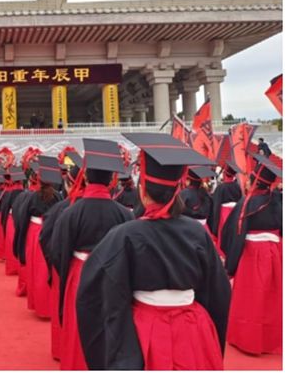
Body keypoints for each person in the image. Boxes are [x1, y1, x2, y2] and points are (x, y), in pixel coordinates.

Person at [76, 133, 231, 370]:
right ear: (178, 189)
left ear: (143, 189)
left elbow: (94, 294)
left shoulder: (124, 234)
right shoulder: (198, 233)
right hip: (193, 330)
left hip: (143, 331)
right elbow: (218, 294)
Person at [49, 139, 134, 369]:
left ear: (85, 177)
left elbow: (58, 252)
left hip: (80, 274)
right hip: (114, 277)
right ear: (112, 179)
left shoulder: (70, 212)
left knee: (80, 325)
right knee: (112, 325)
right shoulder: (125, 214)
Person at [220, 153, 282, 355]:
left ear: (255, 181)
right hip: (275, 252)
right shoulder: (278, 201)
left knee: (251, 298)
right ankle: (271, 340)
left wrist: (230, 266)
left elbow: (235, 235)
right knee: (271, 297)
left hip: (252, 254)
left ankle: (249, 340)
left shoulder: (246, 204)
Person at [39, 150, 85, 361]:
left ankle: (63, 351)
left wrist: (53, 267)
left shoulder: (63, 209)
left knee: (70, 311)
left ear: (70, 184)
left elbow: (49, 241)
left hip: (73, 267)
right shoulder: (120, 211)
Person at [13, 156, 63, 318]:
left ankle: (40, 306)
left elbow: (22, 219)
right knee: (49, 270)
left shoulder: (31, 197)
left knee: (38, 269)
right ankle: (51, 306)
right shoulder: (58, 197)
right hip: (53, 232)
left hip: (35, 233)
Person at [209, 160, 242, 242]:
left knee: (223, 234)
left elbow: (216, 206)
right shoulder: (237, 187)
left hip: (223, 214)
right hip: (235, 213)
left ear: (224, 173)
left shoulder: (221, 188)